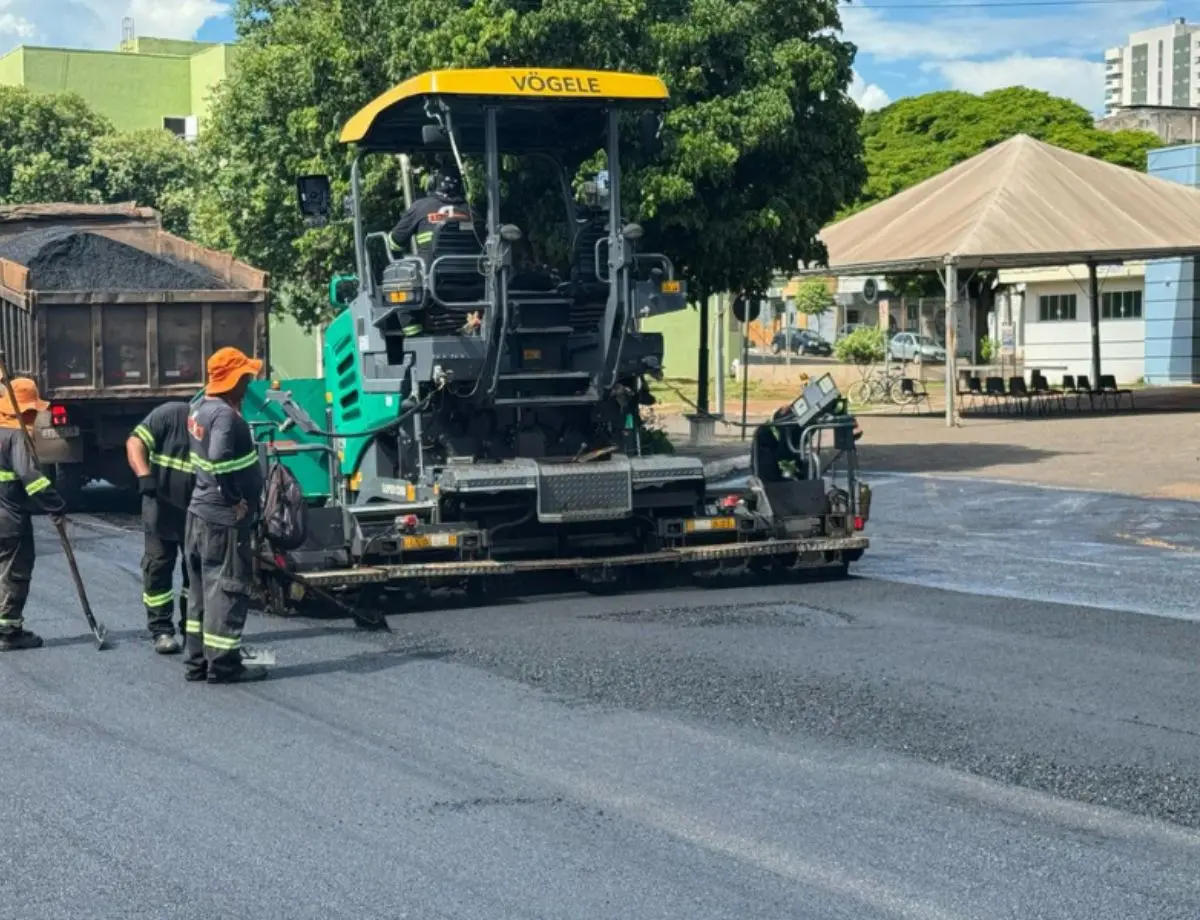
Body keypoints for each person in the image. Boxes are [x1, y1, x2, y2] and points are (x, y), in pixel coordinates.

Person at [183, 347, 268, 684]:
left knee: (200, 593)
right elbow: (219, 457)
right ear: (232, 380)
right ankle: (224, 665)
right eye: (245, 377)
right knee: (226, 589)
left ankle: (197, 661)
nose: (248, 384)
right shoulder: (224, 416)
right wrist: (235, 499)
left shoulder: (199, 408)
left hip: (199, 514)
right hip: (222, 521)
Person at [0, 378, 67, 651]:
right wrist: (55, 504)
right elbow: (31, 477)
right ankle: (9, 631)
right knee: (15, 572)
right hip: (9, 519)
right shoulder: (16, 436)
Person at [127, 401, 194, 655]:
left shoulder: (219, 425)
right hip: (160, 505)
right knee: (158, 564)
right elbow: (135, 443)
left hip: (196, 510)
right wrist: (144, 475)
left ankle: (193, 627)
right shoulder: (170, 415)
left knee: (195, 568)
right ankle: (161, 629)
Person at [387, 168, 471, 337]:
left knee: (399, 281)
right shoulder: (473, 212)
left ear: (432, 184)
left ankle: (415, 336)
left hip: (432, 279)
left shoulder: (420, 207)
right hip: (471, 279)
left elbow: (394, 243)